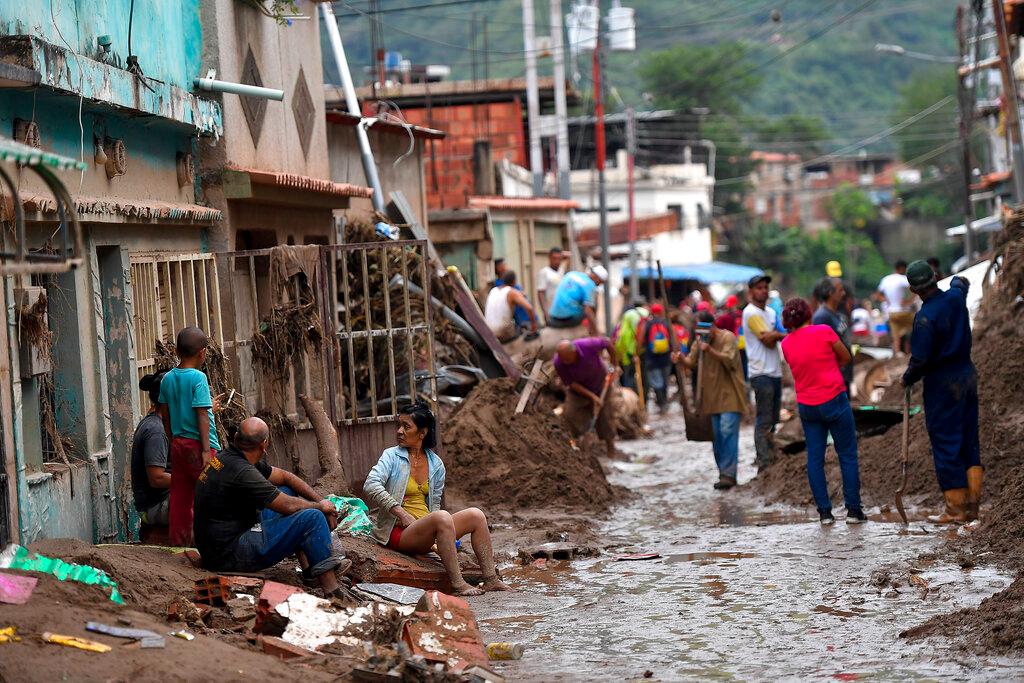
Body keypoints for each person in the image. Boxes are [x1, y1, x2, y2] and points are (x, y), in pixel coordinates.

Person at [193, 417, 352, 597]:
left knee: (287, 490)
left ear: (237, 437)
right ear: (264, 445)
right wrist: (320, 507)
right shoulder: (242, 471)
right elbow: (287, 506)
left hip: (219, 542)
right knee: (312, 518)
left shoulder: (232, 456)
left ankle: (310, 571)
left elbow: (285, 477)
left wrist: (324, 503)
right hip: (229, 553)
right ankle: (332, 590)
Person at [364, 402, 510, 596]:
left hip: (426, 529)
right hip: (398, 531)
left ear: (422, 433)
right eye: (399, 425)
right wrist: (401, 512)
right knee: (441, 517)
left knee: (477, 515)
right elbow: (370, 485)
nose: (399, 431)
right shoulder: (391, 456)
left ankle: (491, 579)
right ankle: (458, 584)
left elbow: (433, 507)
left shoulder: (436, 464)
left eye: (406, 427)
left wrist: (437, 543)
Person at [901, 261, 982, 523]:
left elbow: (921, 360)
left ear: (913, 290)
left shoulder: (925, 319)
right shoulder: (956, 299)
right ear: (935, 277)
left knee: (947, 441)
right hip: (967, 376)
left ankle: (955, 510)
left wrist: (907, 378)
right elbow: (960, 282)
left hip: (942, 384)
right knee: (969, 439)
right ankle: (972, 507)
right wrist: (957, 282)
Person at [779, 298, 866, 525]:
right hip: (834, 398)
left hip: (808, 406)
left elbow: (798, 367)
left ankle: (825, 514)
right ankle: (854, 511)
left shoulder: (786, 344)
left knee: (815, 459)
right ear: (809, 313)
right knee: (846, 454)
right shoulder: (824, 331)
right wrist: (829, 367)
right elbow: (846, 357)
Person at [160, 326, 221, 547]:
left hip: (178, 444)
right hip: (200, 446)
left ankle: (180, 545)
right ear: (203, 353)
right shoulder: (198, 378)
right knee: (213, 492)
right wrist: (206, 450)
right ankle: (213, 543)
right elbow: (202, 413)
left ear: (176, 350)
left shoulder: (167, 379)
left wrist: (172, 440)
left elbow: (165, 416)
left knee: (180, 496)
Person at [674, 311, 747, 490]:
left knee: (727, 431)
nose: (701, 333)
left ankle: (729, 474)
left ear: (713, 325)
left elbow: (730, 360)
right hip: (711, 398)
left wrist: (710, 351)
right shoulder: (699, 342)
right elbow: (691, 362)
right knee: (717, 436)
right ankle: (723, 472)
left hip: (730, 395)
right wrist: (680, 359)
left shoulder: (727, 338)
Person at [742, 275, 785, 470]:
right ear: (751, 292)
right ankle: (764, 461)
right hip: (760, 372)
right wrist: (777, 335)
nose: (764, 291)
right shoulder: (751, 313)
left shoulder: (770, 313)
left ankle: (770, 454)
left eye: (766, 287)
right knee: (764, 418)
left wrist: (775, 334)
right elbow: (767, 339)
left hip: (774, 371)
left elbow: (775, 335)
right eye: (759, 288)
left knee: (773, 418)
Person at [553, 337, 618, 457]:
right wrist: (592, 397)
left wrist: (614, 365)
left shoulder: (587, 345)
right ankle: (578, 445)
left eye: (567, 359)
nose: (565, 362)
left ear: (574, 352)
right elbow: (571, 383)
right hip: (577, 391)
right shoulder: (558, 362)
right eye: (562, 359)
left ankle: (611, 450)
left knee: (605, 416)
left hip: (600, 383)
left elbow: (607, 343)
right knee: (570, 414)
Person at [132, 372, 171, 526]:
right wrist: (193, 480)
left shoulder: (157, 422)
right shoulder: (156, 431)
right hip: (155, 507)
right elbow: (157, 478)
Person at [812, 277, 853, 390]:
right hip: (833, 377)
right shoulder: (821, 317)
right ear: (831, 293)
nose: (843, 293)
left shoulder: (839, 315)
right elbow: (819, 348)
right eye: (840, 290)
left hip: (844, 373)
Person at [639, 303, 674, 412]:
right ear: (661, 312)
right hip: (666, 358)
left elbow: (640, 340)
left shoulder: (647, 324)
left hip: (651, 359)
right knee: (665, 380)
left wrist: (637, 352)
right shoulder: (666, 323)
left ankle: (661, 403)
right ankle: (664, 403)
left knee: (656, 381)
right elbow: (674, 338)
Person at [876, 259, 915, 356]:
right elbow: (915, 288)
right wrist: (909, 301)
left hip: (891, 313)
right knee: (918, 324)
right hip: (903, 312)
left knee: (895, 337)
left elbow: (878, 295)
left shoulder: (885, 279)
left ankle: (897, 354)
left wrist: (887, 300)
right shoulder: (902, 278)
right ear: (902, 268)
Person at [484, 270, 538, 342]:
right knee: (522, 329)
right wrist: (534, 325)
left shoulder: (493, 290)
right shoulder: (512, 293)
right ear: (514, 281)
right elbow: (529, 308)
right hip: (502, 332)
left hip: (488, 330)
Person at [614, 302, 649, 393]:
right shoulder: (646, 314)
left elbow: (622, 337)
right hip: (645, 351)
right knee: (643, 377)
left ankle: (632, 399)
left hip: (630, 352)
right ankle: (643, 401)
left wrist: (632, 353)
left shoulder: (627, 317)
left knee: (629, 377)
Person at [536, 247, 567, 321]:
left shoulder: (561, 270)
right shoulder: (544, 272)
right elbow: (541, 293)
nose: (557, 261)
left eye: (559, 259)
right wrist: (546, 313)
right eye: (554, 258)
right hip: (551, 312)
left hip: (563, 311)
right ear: (549, 258)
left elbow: (569, 257)